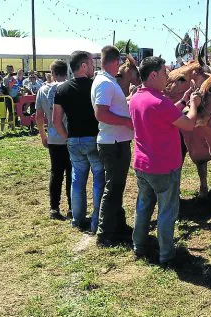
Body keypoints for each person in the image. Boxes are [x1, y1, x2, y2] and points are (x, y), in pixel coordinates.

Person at [129, 56, 199, 266]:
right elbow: (188, 124)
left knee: (143, 207)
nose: (168, 77)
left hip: (142, 165)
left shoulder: (137, 98)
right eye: (165, 72)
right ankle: (166, 254)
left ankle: (139, 246)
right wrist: (194, 104)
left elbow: (166, 115)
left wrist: (184, 99)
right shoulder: (160, 101)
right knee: (167, 211)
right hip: (164, 167)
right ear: (153, 75)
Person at [53, 51, 103, 234]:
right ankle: (96, 220)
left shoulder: (62, 89)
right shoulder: (95, 86)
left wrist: (67, 138)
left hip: (74, 140)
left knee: (77, 180)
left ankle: (77, 218)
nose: (93, 67)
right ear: (83, 66)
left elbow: (56, 120)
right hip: (94, 139)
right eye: (90, 64)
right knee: (98, 179)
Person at [89, 46, 135, 246]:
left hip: (115, 141)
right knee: (113, 188)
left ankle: (117, 225)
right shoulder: (106, 83)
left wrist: (128, 100)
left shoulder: (105, 81)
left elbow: (111, 107)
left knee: (116, 187)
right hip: (113, 143)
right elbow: (101, 113)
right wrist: (126, 121)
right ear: (116, 62)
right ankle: (104, 233)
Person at [36, 60, 72, 220]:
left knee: (56, 173)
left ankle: (54, 207)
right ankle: (73, 207)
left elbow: (38, 117)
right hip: (70, 136)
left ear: (52, 73)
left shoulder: (42, 90)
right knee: (72, 174)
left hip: (53, 138)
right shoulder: (70, 87)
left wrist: (43, 136)